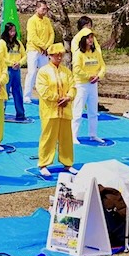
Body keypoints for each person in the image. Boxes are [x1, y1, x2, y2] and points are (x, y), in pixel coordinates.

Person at [35, 43, 77, 176]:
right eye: (56, 55)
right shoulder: (43, 71)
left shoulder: (67, 71)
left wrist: (69, 97)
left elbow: (73, 86)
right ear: (50, 56)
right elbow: (43, 90)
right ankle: (43, 163)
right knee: (48, 137)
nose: (59, 57)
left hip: (65, 109)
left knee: (66, 138)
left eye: (61, 55)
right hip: (50, 110)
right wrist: (58, 98)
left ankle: (68, 163)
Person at [71, 29, 106, 144]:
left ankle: (93, 134)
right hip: (81, 84)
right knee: (78, 110)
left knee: (93, 110)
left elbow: (102, 66)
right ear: (83, 39)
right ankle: (73, 135)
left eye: (92, 37)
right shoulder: (79, 54)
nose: (91, 40)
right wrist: (88, 76)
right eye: (88, 37)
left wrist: (98, 76)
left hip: (93, 85)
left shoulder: (96, 53)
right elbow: (76, 68)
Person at [23, 1, 54, 104]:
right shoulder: (32, 21)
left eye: (46, 9)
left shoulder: (47, 21)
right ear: (37, 9)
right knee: (31, 73)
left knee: (44, 73)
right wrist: (43, 46)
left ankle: (43, 94)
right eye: (43, 9)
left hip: (44, 52)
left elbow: (51, 34)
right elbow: (33, 36)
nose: (44, 11)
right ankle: (27, 95)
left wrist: (48, 46)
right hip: (33, 50)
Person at [0, 22, 26, 121]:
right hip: (6, 70)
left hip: (16, 70)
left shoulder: (18, 43)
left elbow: (25, 55)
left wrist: (19, 63)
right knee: (5, 92)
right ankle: (1, 112)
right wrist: (11, 63)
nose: (13, 33)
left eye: (14, 31)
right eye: (11, 31)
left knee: (17, 91)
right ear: (7, 31)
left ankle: (20, 113)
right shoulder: (2, 43)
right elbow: (0, 57)